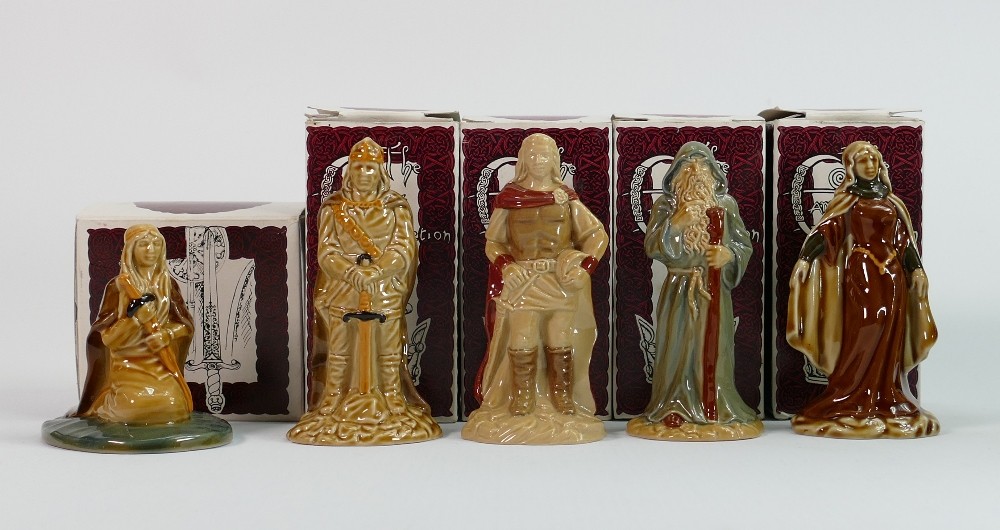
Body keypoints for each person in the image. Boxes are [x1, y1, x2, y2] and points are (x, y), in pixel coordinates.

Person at [288, 137, 441, 445]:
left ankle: (393, 399)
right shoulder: (334, 209)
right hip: (344, 288)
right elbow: (327, 251)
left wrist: (378, 271)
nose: (364, 174)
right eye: (358, 167)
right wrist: (351, 273)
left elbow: (404, 247)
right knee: (340, 350)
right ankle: (332, 401)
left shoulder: (395, 207)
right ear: (349, 171)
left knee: (389, 349)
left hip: (384, 288)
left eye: (370, 168)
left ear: (380, 172)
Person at [462, 133, 608, 444]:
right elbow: (493, 242)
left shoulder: (567, 198)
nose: (539, 161)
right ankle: (522, 397)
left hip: (558, 280)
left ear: (555, 160)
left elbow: (596, 235)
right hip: (524, 280)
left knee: (560, 336)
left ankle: (562, 398)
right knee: (522, 334)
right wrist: (507, 266)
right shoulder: (509, 198)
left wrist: (584, 268)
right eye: (533, 155)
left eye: (545, 155)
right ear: (523, 160)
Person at [787, 140, 938, 438]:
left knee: (891, 329)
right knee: (866, 326)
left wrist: (916, 269)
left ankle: (885, 394)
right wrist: (805, 259)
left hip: (892, 272)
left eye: (873, 160)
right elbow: (827, 231)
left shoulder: (892, 201)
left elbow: (904, 240)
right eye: (862, 161)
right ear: (851, 168)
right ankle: (850, 392)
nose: (869, 165)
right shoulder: (848, 200)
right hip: (862, 267)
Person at [626, 141, 762, 441]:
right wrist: (676, 224)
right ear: (676, 175)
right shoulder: (666, 207)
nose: (696, 175)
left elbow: (742, 244)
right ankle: (673, 403)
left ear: (713, 175)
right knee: (676, 347)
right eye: (688, 169)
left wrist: (728, 255)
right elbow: (653, 246)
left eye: (702, 170)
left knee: (715, 346)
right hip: (679, 287)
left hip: (714, 289)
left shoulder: (725, 206)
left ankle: (715, 404)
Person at [77, 224, 195, 425]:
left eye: (156, 244)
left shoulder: (169, 285)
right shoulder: (119, 287)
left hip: (160, 364)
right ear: (131, 249)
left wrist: (167, 334)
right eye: (143, 244)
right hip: (129, 365)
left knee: (174, 408)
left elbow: (185, 325)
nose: (151, 250)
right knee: (132, 411)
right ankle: (104, 405)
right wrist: (135, 320)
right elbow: (107, 338)